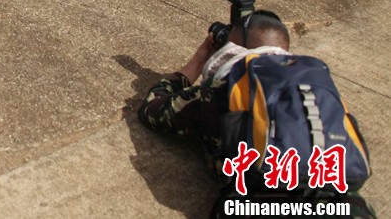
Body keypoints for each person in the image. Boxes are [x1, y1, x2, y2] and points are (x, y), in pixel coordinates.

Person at [138, 12, 375, 216]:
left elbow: (152, 110)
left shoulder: (228, 88)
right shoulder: (318, 82)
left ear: (233, 49)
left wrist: (199, 61)